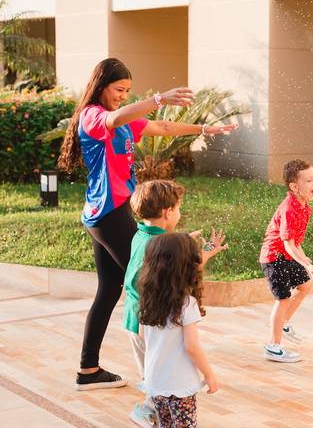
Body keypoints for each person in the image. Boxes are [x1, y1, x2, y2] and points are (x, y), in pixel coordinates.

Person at [57, 58, 237, 390]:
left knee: (111, 288)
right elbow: (113, 118)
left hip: (110, 211)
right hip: (109, 212)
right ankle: (158, 372)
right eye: (118, 89)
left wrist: (204, 130)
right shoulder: (94, 116)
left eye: (127, 91)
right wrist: (158, 100)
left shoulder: (124, 121)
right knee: (153, 282)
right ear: (101, 86)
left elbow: (163, 129)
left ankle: (88, 370)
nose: (123, 96)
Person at [124, 179, 226, 427]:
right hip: (147, 317)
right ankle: (146, 411)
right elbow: (179, 271)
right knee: (160, 373)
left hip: (138, 315)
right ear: (167, 212)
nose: (179, 212)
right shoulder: (183, 301)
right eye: (179, 207)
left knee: (155, 367)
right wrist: (206, 252)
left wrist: (181, 243)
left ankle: (154, 408)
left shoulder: (142, 235)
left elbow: (165, 261)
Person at [138, 232, 218, 428]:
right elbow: (192, 347)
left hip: (155, 381)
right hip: (179, 384)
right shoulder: (186, 304)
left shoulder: (148, 299)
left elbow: (142, 336)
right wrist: (208, 374)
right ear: (187, 268)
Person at [259, 159, 313, 363]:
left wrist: (303, 259)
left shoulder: (304, 207)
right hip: (274, 257)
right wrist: (306, 263)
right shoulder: (290, 209)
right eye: (309, 180)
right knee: (282, 299)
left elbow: (295, 243)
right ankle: (273, 346)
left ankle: (283, 322)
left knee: (306, 285)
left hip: (286, 254)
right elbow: (287, 245)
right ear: (294, 186)